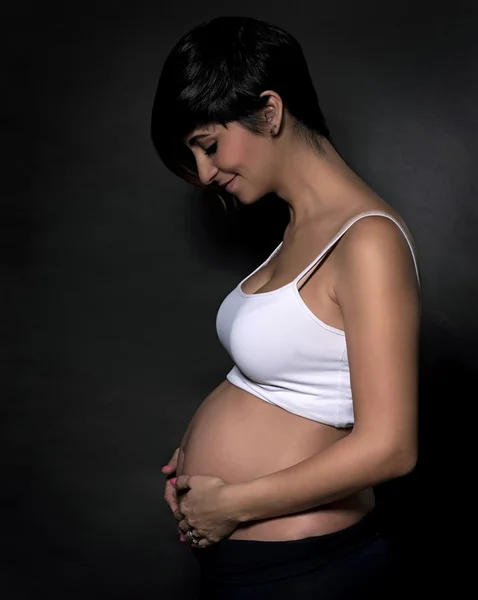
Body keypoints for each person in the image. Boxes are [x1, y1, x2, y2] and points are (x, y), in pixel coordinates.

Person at [151, 15, 421, 599]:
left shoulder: (367, 240)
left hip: (307, 572)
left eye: (209, 145)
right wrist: (204, 468)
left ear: (269, 112)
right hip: (256, 568)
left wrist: (234, 503)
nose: (203, 173)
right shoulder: (302, 228)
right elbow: (291, 383)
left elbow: (392, 446)